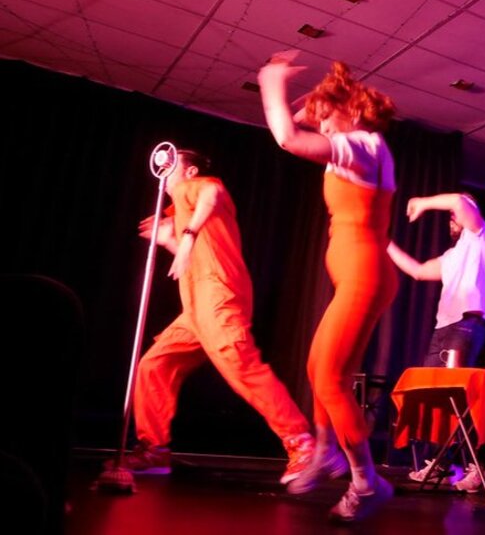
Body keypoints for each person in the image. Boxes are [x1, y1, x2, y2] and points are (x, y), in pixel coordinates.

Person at [115, 149, 315, 485]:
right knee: (155, 366)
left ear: (190, 170)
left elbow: (213, 192)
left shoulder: (195, 186)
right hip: (195, 307)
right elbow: (191, 254)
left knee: (240, 366)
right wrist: (170, 240)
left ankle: (301, 442)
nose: (166, 167)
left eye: (173, 162)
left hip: (218, 296)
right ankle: (155, 449)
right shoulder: (180, 208)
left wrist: (187, 234)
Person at [258, 52, 398, 522]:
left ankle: (365, 482)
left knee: (331, 380)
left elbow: (287, 136)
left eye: (328, 114)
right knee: (318, 367)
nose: (321, 122)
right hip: (360, 275)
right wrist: (319, 100)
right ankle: (328, 453)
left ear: (354, 112)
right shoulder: (358, 144)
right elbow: (305, 120)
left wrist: (270, 81)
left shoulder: (362, 146)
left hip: (364, 274)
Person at [386, 193, 485, 490]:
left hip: (466, 324)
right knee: (435, 397)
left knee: (458, 397)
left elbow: (460, 204)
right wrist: (383, 242)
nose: (452, 217)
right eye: (450, 215)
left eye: (455, 213)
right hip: (444, 329)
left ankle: (480, 466)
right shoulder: (452, 256)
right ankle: (440, 465)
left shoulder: (482, 237)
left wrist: (422, 202)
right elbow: (419, 271)